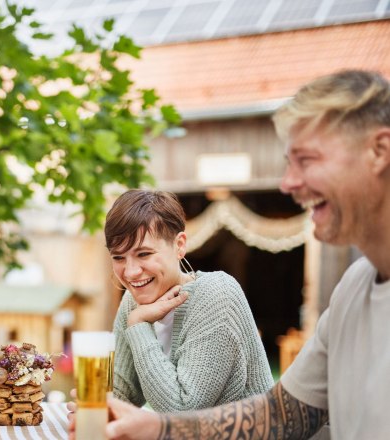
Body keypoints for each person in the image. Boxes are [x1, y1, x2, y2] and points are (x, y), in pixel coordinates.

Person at [93, 70, 390, 439]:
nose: (288, 183)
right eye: (118, 256)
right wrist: (153, 425)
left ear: (379, 151)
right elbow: (282, 413)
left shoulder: (215, 294)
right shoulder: (354, 289)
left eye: (307, 160)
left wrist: (161, 422)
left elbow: (189, 407)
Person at [105, 189, 273, 412]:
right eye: (118, 257)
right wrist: (98, 402)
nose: (131, 271)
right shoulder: (132, 302)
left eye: (144, 254)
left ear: (180, 245)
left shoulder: (217, 294)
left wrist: (138, 325)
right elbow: (121, 394)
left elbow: (182, 411)